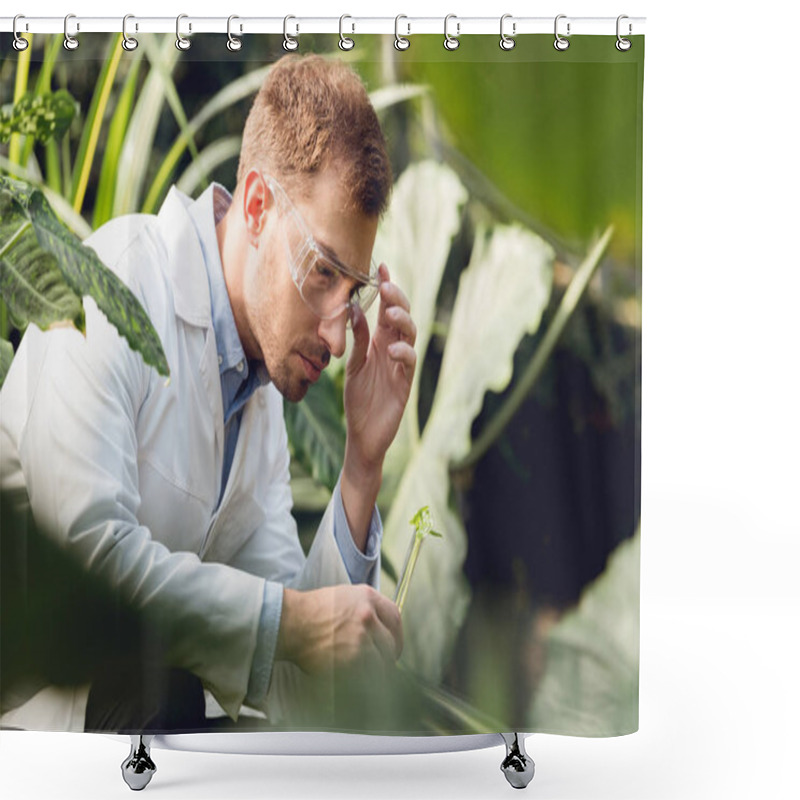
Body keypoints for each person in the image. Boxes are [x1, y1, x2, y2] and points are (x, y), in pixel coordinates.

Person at [0, 54, 417, 732]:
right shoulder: (113, 290)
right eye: (322, 272)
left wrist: (361, 468)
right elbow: (91, 580)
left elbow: (291, 679)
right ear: (256, 206)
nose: (339, 339)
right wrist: (291, 624)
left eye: (355, 292)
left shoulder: (258, 399)